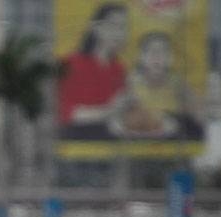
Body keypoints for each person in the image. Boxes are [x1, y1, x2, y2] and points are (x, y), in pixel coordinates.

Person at [57, 3, 129, 140]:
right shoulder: (70, 64)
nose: (119, 33)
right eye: (114, 25)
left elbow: (120, 114)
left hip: (113, 146)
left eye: (123, 27)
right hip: (77, 145)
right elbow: (67, 114)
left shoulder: (119, 69)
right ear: (96, 28)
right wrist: (109, 111)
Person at [114, 30, 203, 140]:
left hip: (171, 141)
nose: (156, 56)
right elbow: (116, 114)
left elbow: (198, 115)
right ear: (140, 57)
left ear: (171, 58)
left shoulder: (177, 83)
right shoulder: (129, 83)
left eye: (163, 51)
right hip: (136, 142)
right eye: (150, 51)